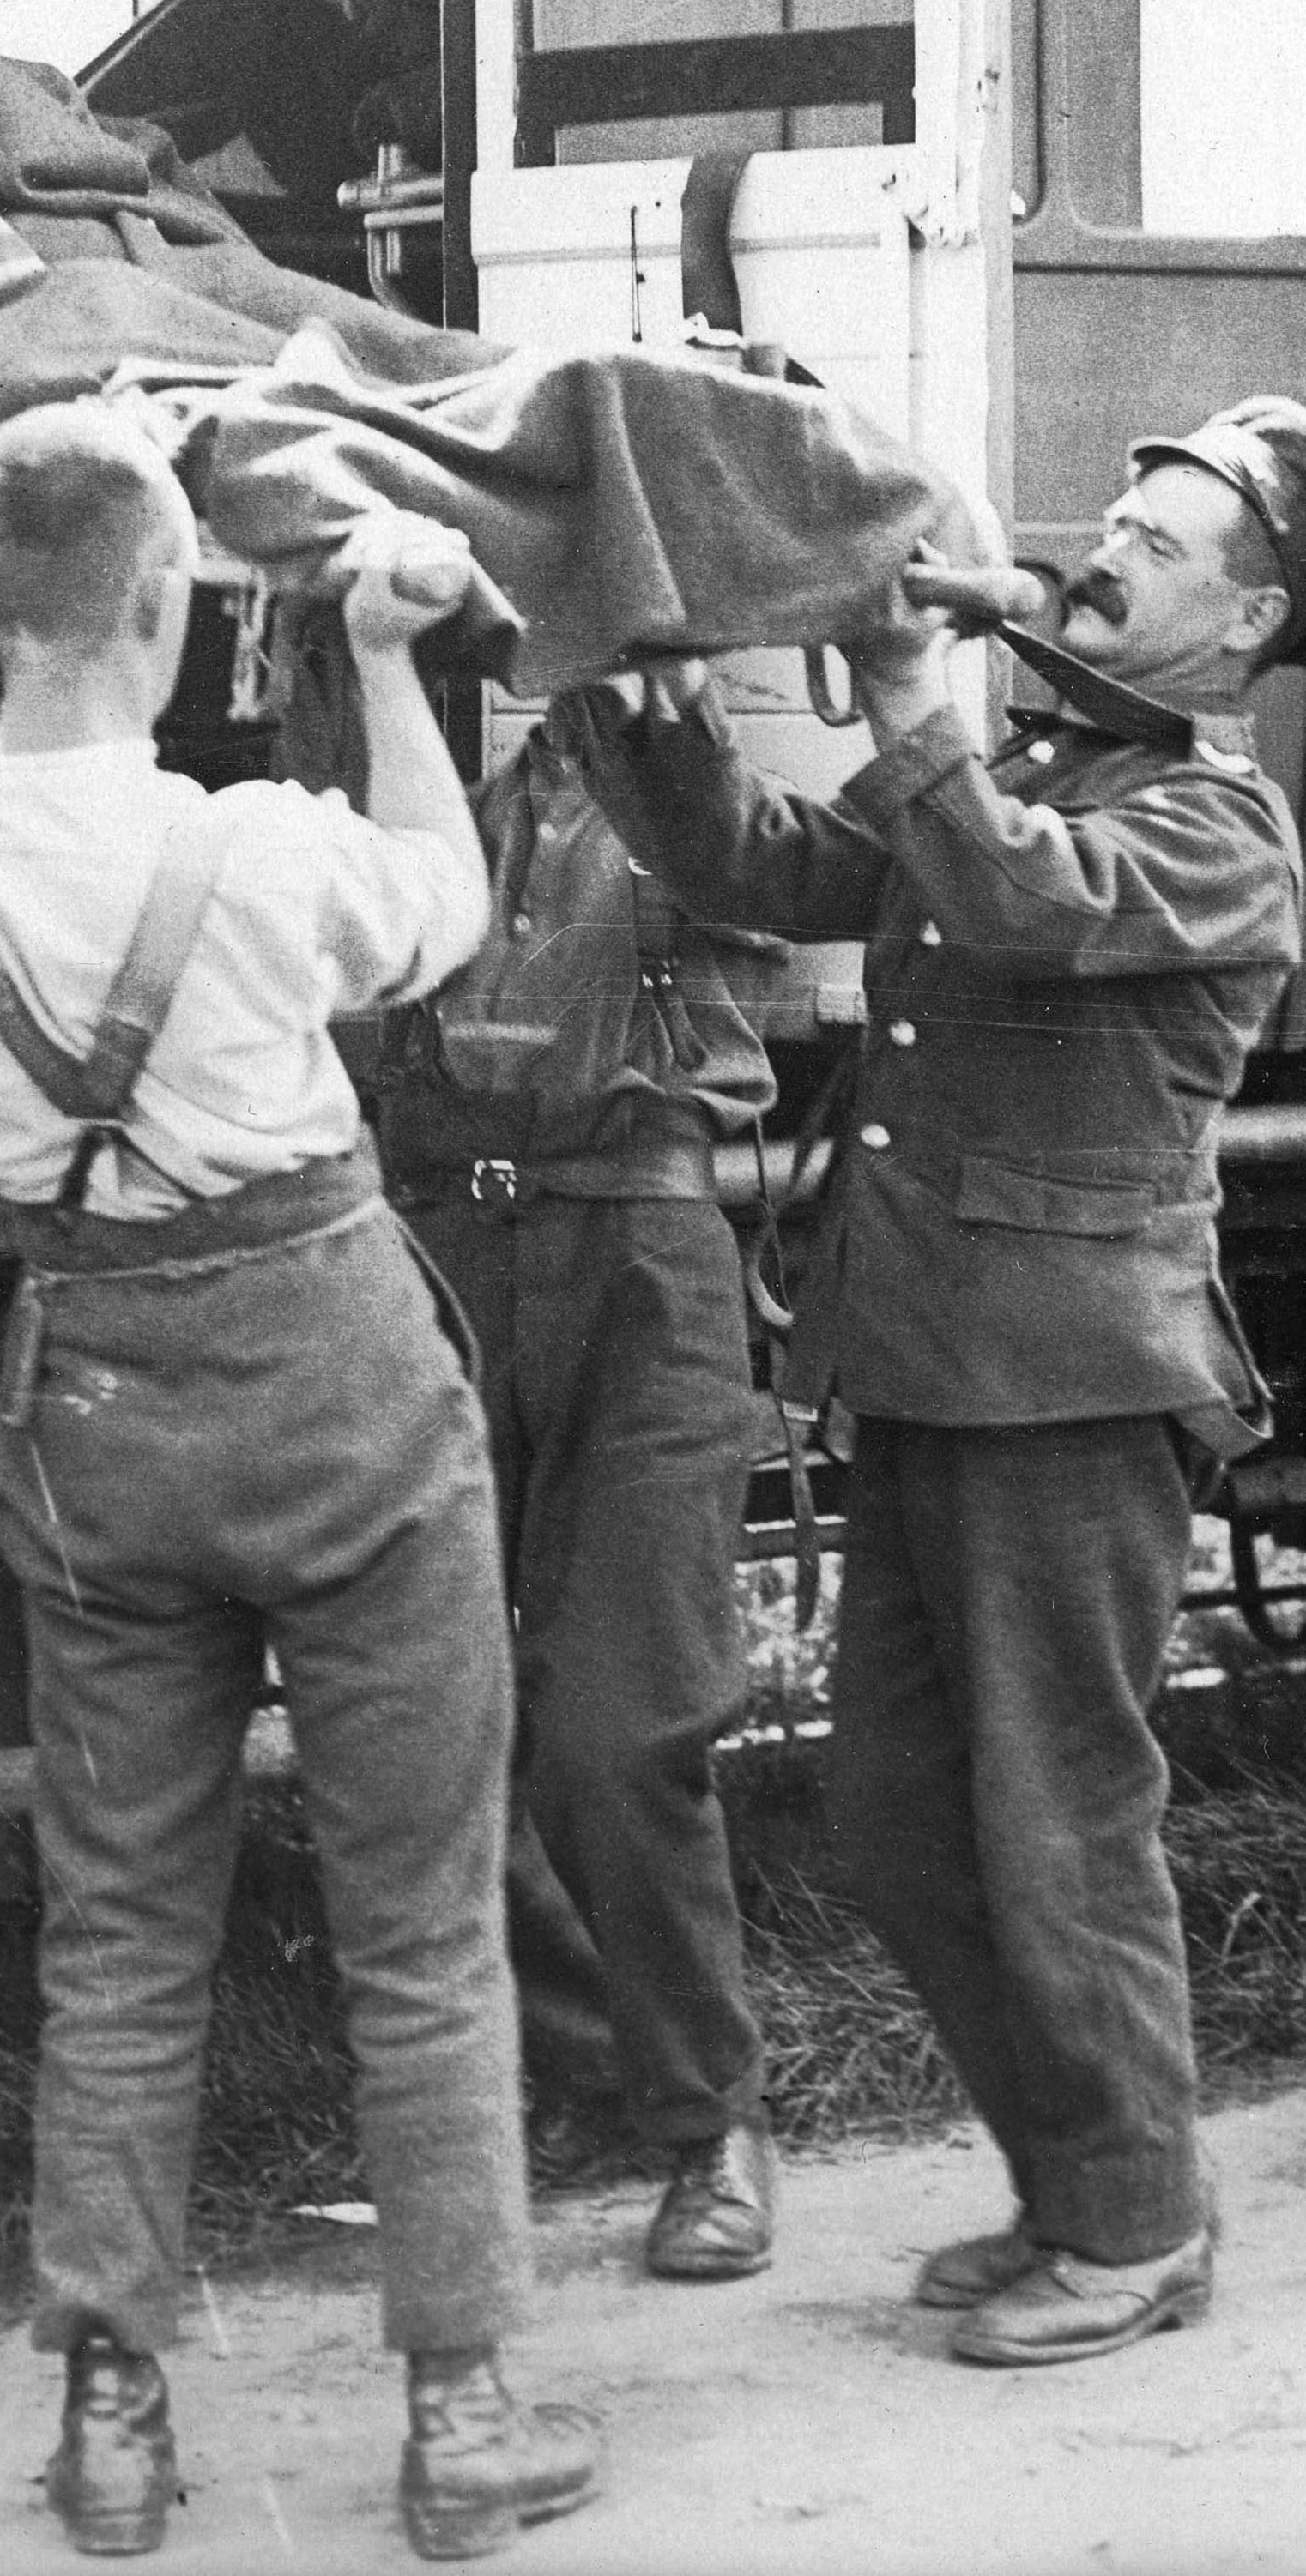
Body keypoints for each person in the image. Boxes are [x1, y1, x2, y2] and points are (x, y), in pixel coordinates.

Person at [0, 404, 600, 2564]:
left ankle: (110, 2411)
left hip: (96, 1401)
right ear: (166, 601)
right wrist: (373, 667)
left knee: (122, 1924)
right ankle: (461, 2412)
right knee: (421, 1920)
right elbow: (442, 910)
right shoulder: (263, 849)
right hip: (333, 1371)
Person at [558, 395, 1306, 2370]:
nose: (1106, 551)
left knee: (1060, 1816)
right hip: (933, 1363)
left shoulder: (1216, 820)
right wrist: (607, 677)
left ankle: (1136, 2219)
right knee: (906, 1812)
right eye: (1119, 518)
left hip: (1074, 1388)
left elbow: (1011, 897)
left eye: (1162, 546)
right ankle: (1074, 2189)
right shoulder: (1027, 757)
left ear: (1248, 624)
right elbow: (763, 861)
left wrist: (918, 687)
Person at [379, 720, 784, 2284]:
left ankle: (708, 2120)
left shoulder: (693, 747)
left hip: (643, 1252)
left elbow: (746, 856)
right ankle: (577, 2067)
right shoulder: (408, 733)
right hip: (441, 1237)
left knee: (622, 1724)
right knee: (430, 1705)